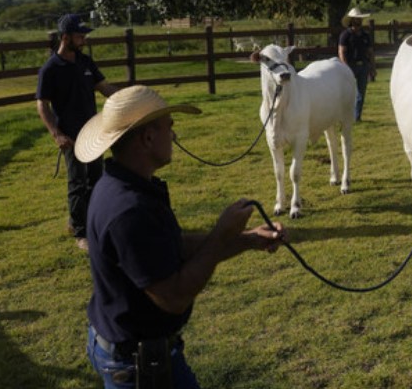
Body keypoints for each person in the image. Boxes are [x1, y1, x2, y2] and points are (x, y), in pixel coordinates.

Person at [75, 85, 285, 388]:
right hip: (138, 365)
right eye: (168, 128)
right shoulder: (129, 211)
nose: (173, 136)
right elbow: (173, 297)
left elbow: (169, 249)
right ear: (147, 138)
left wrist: (247, 239)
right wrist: (221, 235)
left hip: (134, 350)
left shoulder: (124, 186)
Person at [36, 13, 119, 251]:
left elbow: (104, 88)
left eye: (84, 35)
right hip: (71, 136)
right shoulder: (50, 69)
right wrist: (56, 134)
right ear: (65, 37)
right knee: (77, 182)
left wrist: (128, 101)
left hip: (94, 131)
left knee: (96, 179)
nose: (83, 39)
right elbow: (42, 104)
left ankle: (90, 224)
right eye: (79, 35)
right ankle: (81, 234)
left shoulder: (85, 62)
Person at [338, 7, 376, 121]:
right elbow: (341, 52)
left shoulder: (365, 35)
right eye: (356, 19)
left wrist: (373, 67)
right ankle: (344, 117)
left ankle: (356, 117)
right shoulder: (345, 35)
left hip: (363, 66)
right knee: (347, 93)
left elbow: (370, 52)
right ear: (352, 20)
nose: (358, 21)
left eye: (359, 19)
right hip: (350, 66)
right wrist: (345, 68)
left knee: (361, 94)